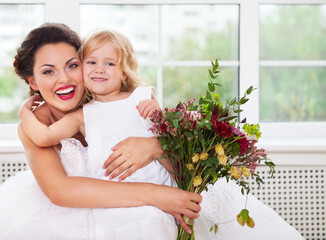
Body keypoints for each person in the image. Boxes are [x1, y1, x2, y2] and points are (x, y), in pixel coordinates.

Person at [0, 23, 201, 240]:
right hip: (76, 220)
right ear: (33, 81)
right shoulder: (38, 124)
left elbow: (181, 167)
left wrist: (154, 146)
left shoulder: (123, 100)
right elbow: (60, 191)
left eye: (72, 66)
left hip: (151, 213)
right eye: (48, 71)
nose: (64, 79)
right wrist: (24, 112)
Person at [19, 30, 175, 183]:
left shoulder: (142, 98)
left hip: (162, 185)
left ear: (124, 72)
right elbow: (43, 137)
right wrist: (24, 112)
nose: (99, 69)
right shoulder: (82, 115)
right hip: (119, 197)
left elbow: (174, 150)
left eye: (110, 63)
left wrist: (159, 118)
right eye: (91, 62)